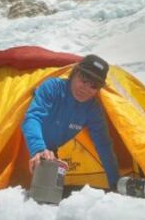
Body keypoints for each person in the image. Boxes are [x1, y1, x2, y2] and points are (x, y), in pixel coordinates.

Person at [21, 54, 120, 190]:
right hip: (25, 146)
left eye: (94, 86)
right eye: (84, 79)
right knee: (16, 192)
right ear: (74, 73)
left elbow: (103, 146)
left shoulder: (92, 109)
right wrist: (38, 149)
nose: (86, 88)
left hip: (48, 154)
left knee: (46, 194)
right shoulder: (52, 87)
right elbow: (33, 117)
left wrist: (115, 183)